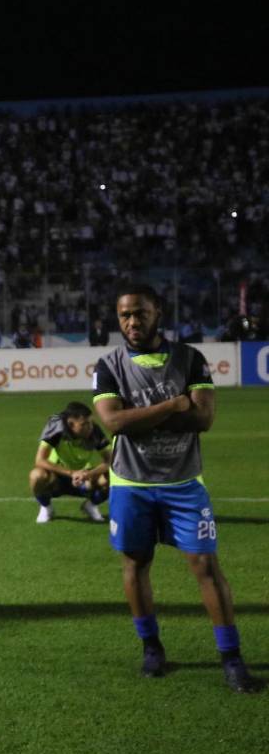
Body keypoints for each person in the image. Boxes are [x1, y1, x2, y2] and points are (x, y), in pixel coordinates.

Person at [92, 284, 261, 693]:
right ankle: (151, 648)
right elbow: (113, 424)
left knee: (205, 567)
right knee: (136, 564)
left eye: (140, 313)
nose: (132, 322)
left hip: (184, 484)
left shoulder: (190, 359)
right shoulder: (109, 364)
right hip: (131, 485)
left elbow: (203, 419)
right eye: (125, 315)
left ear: (158, 312)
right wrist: (171, 406)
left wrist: (140, 417)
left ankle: (232, 658)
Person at [28, 402, 110, 524]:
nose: (90, 427)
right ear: (71, 424)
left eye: (90, 422)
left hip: (84, 478)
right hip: (56, 478)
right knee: (37, 475)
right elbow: (40, 460)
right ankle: (46, 507)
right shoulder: (57, 429)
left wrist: (89, 474)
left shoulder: (94, 431)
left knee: (114, 475)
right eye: (84, 424)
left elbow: (111, 460)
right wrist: (71, 473)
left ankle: (91, 505)